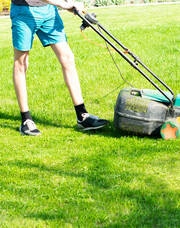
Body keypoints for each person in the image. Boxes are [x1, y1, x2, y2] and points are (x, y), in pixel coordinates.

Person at [11, 0, 109, 136]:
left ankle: (82, 115)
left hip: (49, 11)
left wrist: (69, 3)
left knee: (68, 58)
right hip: (23, 12)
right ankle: (26, 120)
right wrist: (63, 4)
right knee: (21, 63)